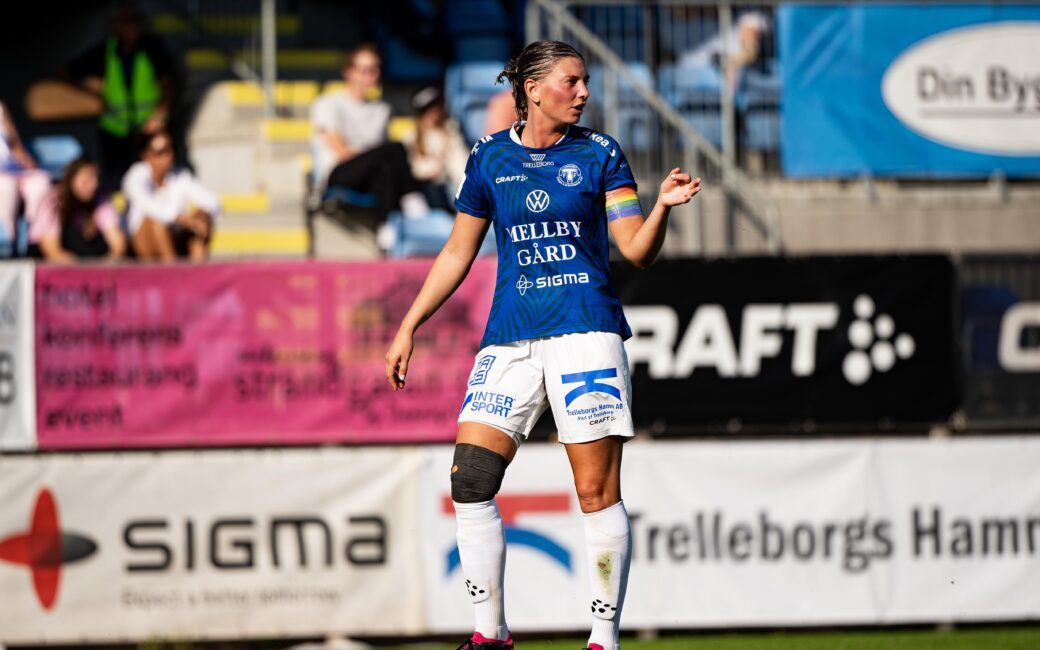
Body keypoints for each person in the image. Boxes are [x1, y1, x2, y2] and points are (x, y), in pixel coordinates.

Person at [384, 41, 700, 650]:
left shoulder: (602, 152)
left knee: (595, 493)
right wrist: (410, 324)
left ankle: (603, 639)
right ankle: (490, 634)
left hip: (586, 332)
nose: (584, 93)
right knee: (470, 479)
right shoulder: (489, 156)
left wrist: (661, 207)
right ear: (531, 88)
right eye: (571, 81)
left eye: (586, 82)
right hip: (510, 336)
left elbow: (636, 249)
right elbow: (457, 251)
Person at [64, 2, 174, 191]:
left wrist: (160, 112)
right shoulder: (106, 51)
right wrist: (90, 89)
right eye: (126, 22)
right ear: (116, 25)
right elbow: (66, 72)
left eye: (136, 21)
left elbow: (168, 82)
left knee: (152, 178)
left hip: (147, 129)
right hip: (115, 131)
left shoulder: (151, 49)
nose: (132, 27)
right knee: (117, 182)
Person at [311, 43, 426, 220]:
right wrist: (375, 156)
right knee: (395, 149)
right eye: (365, 70)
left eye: (375, 69)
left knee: (387, 169)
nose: (372, 75)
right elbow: (341, 153)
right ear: (348, 72)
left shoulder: (383, 109)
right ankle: (412, 197)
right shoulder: (327, 103)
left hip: (370, 173)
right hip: (338, 172)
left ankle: (386, 228)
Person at [122, 130, 218, 262]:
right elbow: (149, 206)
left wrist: (202, 214)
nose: (169, 155)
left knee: (203, 220)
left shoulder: (180, 175)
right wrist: (183, 219)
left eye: (170, 149)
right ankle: (171, 269)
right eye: (161, 151)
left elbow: (212, 201)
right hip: (142, 241)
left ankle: (198, 270)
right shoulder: (135, 176)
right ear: (146, 155)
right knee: (156, 224)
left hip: (174, 236)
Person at [32, 158, 125, 262]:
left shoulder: (101, 200)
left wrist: (106, 264)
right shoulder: (53, 201)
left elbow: (117, 244)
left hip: (88, 262)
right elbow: (52, 251)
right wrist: (82, 269)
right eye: (86, 180)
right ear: (71, 180)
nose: (93, 185)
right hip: (51, 264)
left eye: (95, 179)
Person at [401, 86, 469, 211]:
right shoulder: (411, 135)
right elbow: (415, 169)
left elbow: (459, 163)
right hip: (424, 187)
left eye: (436, 107)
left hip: (447, 184)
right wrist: (435, 167)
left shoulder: (450, 130)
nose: (433, 113)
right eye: (428, 110)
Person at [0, 100, 51, 246]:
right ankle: (8, 243)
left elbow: (15, 143)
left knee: (40, 182)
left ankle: (34, 240)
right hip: (3, 177)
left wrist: (26, 160)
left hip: (13, 167)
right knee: (5, 188)